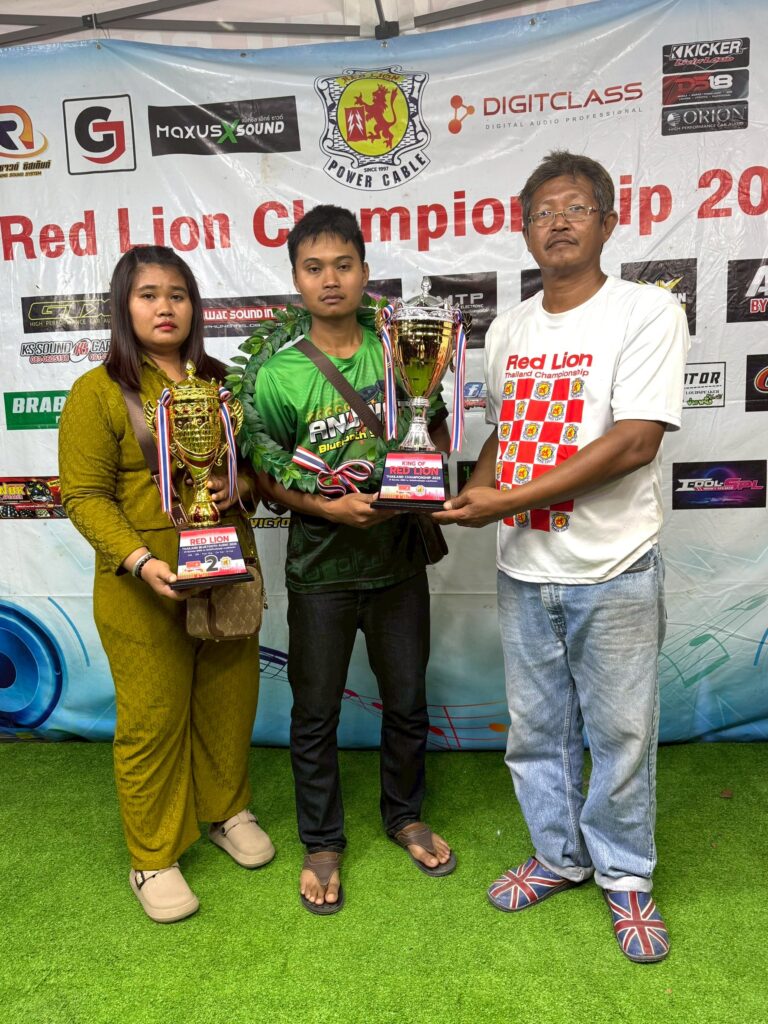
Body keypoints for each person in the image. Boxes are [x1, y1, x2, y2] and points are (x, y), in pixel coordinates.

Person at [435, 151, 689, 962]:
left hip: (614, 566)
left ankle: (625, 874)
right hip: (524, 570)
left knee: (621, 735)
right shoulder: (508, 329)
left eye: (576, 207)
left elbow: (635, 441)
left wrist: (503, 502)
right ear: (524, 230)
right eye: (543, 211)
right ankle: (559, 856)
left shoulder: (646, 312)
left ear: (608, 222)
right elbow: (504, 435)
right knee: (537, 732)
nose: (559, 222)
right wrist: (477, 490)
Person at [58, 245, 274, 924]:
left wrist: (237, 484)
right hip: (141, 584)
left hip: (226, 568)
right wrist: (140, 562)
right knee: (153, 720)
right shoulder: (98, 390)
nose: (164, 307)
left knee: (229, 701)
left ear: (194, 306)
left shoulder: (223, 383)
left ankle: (226, 810)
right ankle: (152, 855)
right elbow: (84, 496)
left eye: (177, 294)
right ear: (124, 306)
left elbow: (256, 474)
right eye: (148, 294)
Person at [253, 204, 456, 914]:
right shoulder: (278, 374)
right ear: (296, 279)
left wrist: (417, 482)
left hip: (397, 564)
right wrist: (327, 508)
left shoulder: (399, 347)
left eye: (343, 265)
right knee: (314, 712)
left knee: (407, 701)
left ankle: (404, 815)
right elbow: (266, 474)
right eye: (314, 268)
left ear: (365, 272)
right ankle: (322, 840)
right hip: (321, 571)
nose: (330, 279)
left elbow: (435, 428)